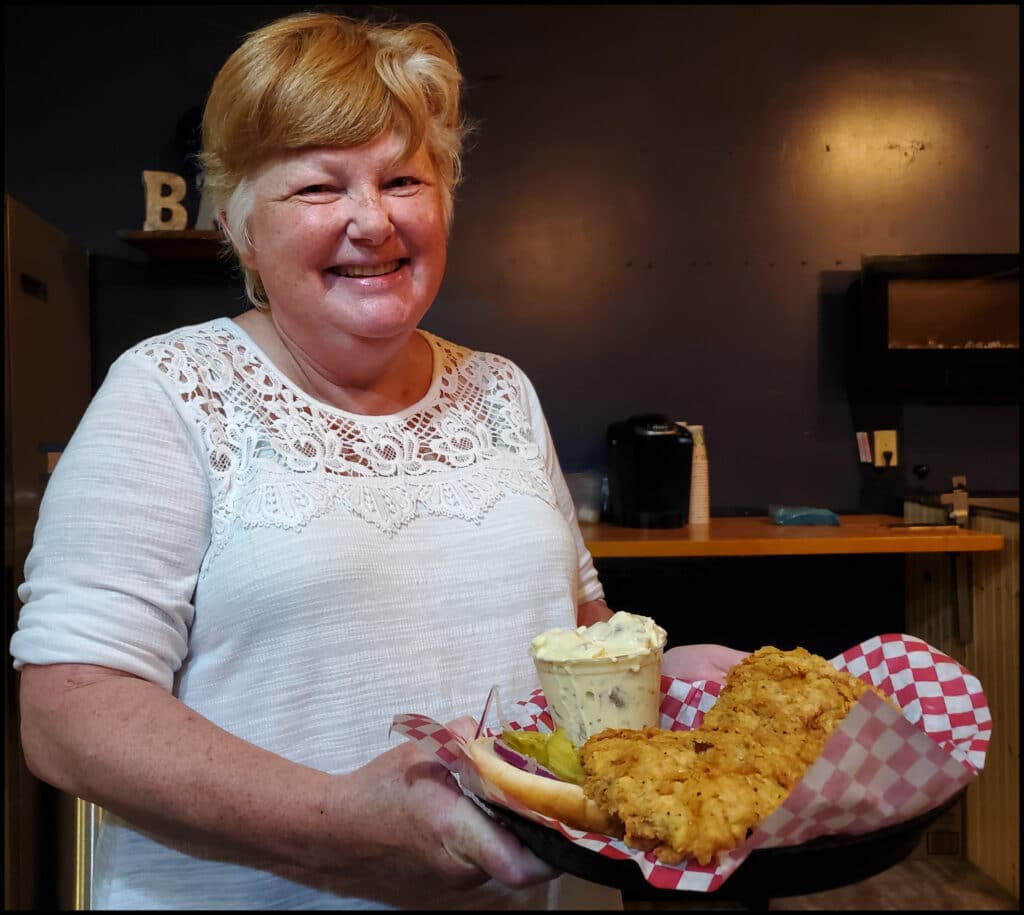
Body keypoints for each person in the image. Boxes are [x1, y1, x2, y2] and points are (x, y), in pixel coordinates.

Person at [10, 11, 747, 910]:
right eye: (319, 188)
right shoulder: (167, 390)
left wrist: (655, 676)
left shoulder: (501, 388)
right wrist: (337, 826)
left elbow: (574, 623)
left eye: (404, 178)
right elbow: (69, 711)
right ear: (244, 227)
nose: (373, 220)